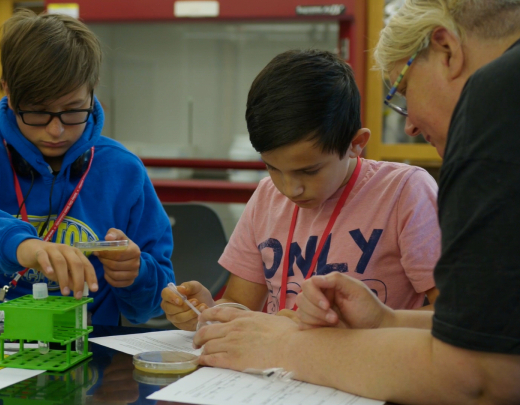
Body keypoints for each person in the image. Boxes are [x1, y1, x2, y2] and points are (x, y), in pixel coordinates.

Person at [193, 1, 520, 403]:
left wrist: (287, 346)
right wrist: (386, 320)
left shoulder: (494, 106)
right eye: (273, 169)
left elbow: (480, 372)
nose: (409, 123)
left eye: (401, 90)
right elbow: (484, 331)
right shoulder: (265, 197)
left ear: (447, 50)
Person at [0, 10, 174, 326]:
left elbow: (152, 305)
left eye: (72, 111)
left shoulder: (122, 170)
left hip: (82, 345)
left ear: (92, 90)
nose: (56, 131)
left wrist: (136, 276)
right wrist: (23, 246)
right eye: (38, 112)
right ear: (8, 92)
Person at [161, 49, 440, 331]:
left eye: (309, 171)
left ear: (356, 144)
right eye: (272, 168)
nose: (290, 188)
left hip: (367, 370)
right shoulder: (266, 196)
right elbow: (239, 303)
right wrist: (206, 311)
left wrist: (370, 325)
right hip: (277, 370)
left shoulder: (404, 192)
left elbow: (455, 317)